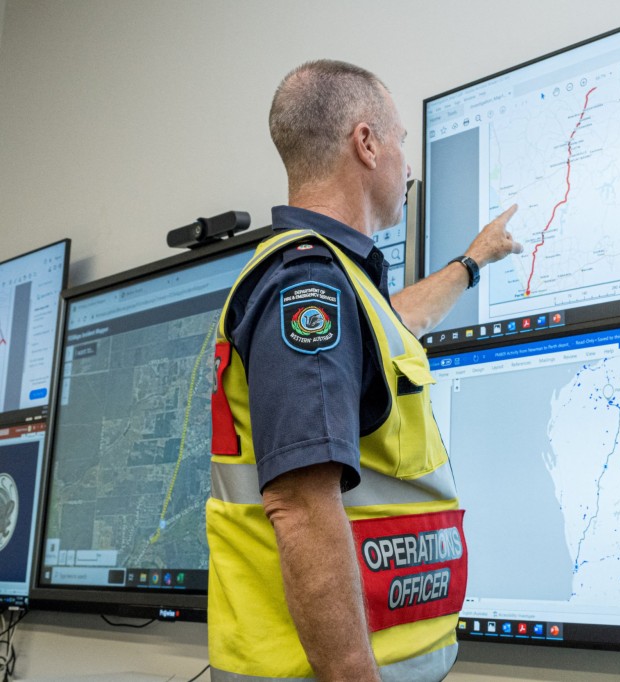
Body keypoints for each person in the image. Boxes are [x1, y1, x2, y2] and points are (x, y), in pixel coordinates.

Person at [205, 59, 522, 682]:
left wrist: (472, 263)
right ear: (366, 142)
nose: (408, 162)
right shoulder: (308, 285)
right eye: (402, 140)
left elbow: (391, 328)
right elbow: (300, 504)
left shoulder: (334, 284)